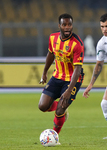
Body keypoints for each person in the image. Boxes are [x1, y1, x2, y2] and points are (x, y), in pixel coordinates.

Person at [39, 13, 84, 144]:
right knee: (42, 106)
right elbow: (50, 54)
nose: (67, 27)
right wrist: (44, 72)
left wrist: (69, 90)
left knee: (60, 109)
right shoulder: (53, 38)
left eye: (69, 24)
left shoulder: (77, 44)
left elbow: (77, 69)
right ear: (59, 25)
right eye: (64, 24)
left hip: (72, 79)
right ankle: (63, 111)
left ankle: (54, 138)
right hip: (57, 76)